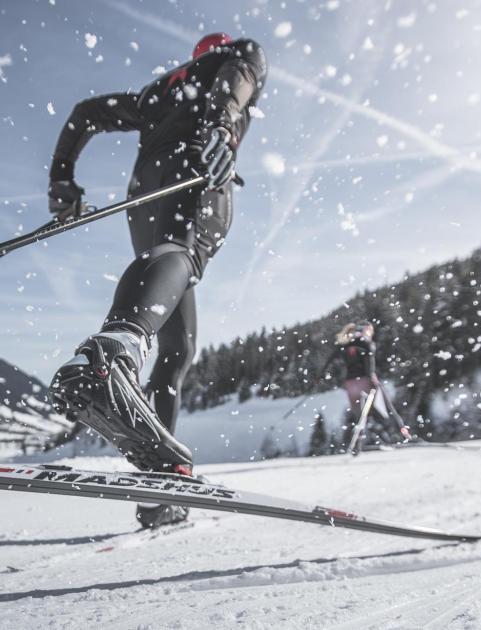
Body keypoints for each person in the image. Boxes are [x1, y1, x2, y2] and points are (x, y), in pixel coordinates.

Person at [48, 33, 267, 528]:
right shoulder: (235, 61)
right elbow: (239, 78)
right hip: (198, 170)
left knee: (177, 347)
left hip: (145, 193)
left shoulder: (159, 92)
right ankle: (114, 352)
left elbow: (85, 111)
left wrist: (62, 178)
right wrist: (223, 130)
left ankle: (160, 487)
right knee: (182, 258)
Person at [323, 321, 411, 448]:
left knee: (360, 416)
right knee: (385, 407)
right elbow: (369, 360)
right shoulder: (366, 342)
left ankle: (358, 438)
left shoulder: (346, 343)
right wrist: (371, 377)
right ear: (366, 330)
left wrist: (321, 376)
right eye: (371, 331)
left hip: (351, 383)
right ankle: (401, 433)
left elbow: (331, 359)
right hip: (365, 380)